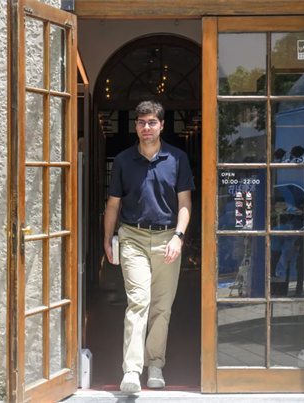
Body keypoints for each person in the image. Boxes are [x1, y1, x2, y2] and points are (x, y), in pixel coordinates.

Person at [104, 100, 195, 394]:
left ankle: (155, 364)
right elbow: (113, 204)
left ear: (161, 125)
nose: (146, 127)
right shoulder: (123, 160)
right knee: (139, 302)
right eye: (142, 122)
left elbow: (185, 203)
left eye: (152, 122)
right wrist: (107, 238)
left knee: (162, 307)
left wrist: (178, 237)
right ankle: (132, 370)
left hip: (168, 237)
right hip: (133, 237)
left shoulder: (177, 158)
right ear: (136, 126)